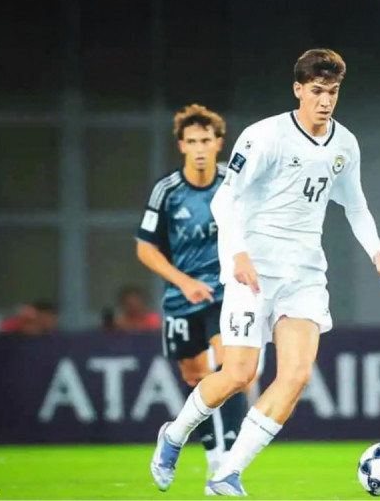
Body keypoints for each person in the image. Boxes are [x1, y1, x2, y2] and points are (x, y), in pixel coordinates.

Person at [150, 49, 380, 496]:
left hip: (304, 276)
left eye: (333, 92)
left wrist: (379, 256)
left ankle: (227, 474)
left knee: (296, 376)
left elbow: (355, 205)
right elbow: (225, 200)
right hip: (253, 272)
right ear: (298, 89)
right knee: (238, 375)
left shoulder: (345, 144)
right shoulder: (264, 136)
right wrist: (238, 255)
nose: (326, 101)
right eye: (318, 91)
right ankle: (173, 435)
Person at [136, 104, 249, 479]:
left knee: (232, 368)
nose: (200, 148)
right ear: (182, 145)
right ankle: (209, 451)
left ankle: (227, 459)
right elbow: (145, 249)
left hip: (225, 294)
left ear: (219, 143)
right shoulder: (167, 191)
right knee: (195, 377)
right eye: (192, 141)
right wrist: (184, 282)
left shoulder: (233, 185)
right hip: (181, 299)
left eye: (206, 140)